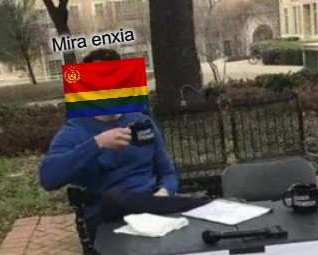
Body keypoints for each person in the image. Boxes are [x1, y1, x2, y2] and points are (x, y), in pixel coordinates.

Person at [38, 49, 209, 236]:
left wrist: (163, 194)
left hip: (153, 210)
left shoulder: (143, 123)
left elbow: (167, 173)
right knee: (115, 198)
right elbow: (48, 178)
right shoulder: (75, 131)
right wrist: (98, 143)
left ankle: (195, 206)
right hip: (108, 219)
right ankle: (199, 204)